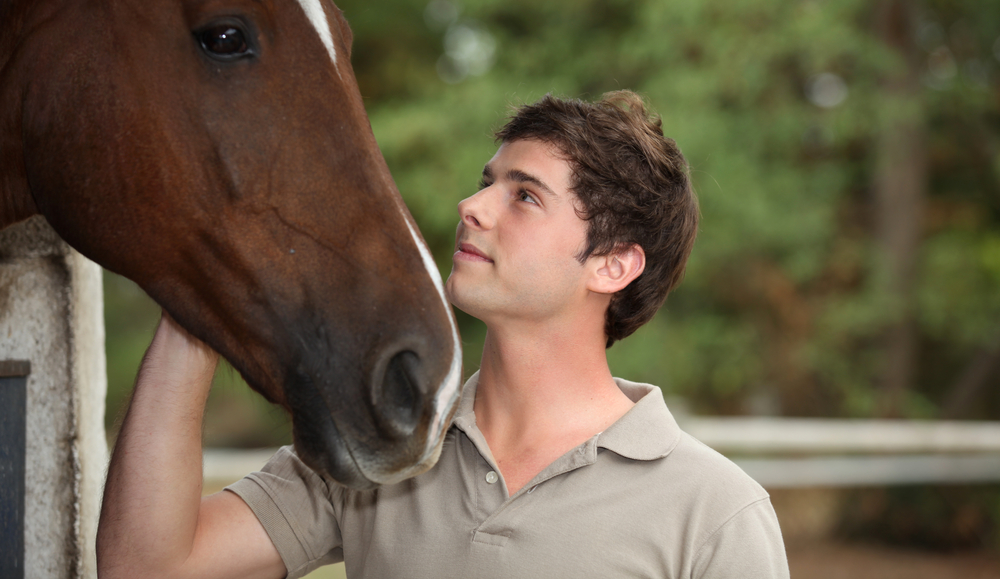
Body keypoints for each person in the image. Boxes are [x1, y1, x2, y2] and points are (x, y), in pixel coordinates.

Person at [97, 91, 789, 579]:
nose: (472, 206)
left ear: (613, 263)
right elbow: (147, 565)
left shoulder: (715, 512)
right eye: (486, 182)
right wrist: (196, 298)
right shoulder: (384, 450)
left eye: (524, 195)